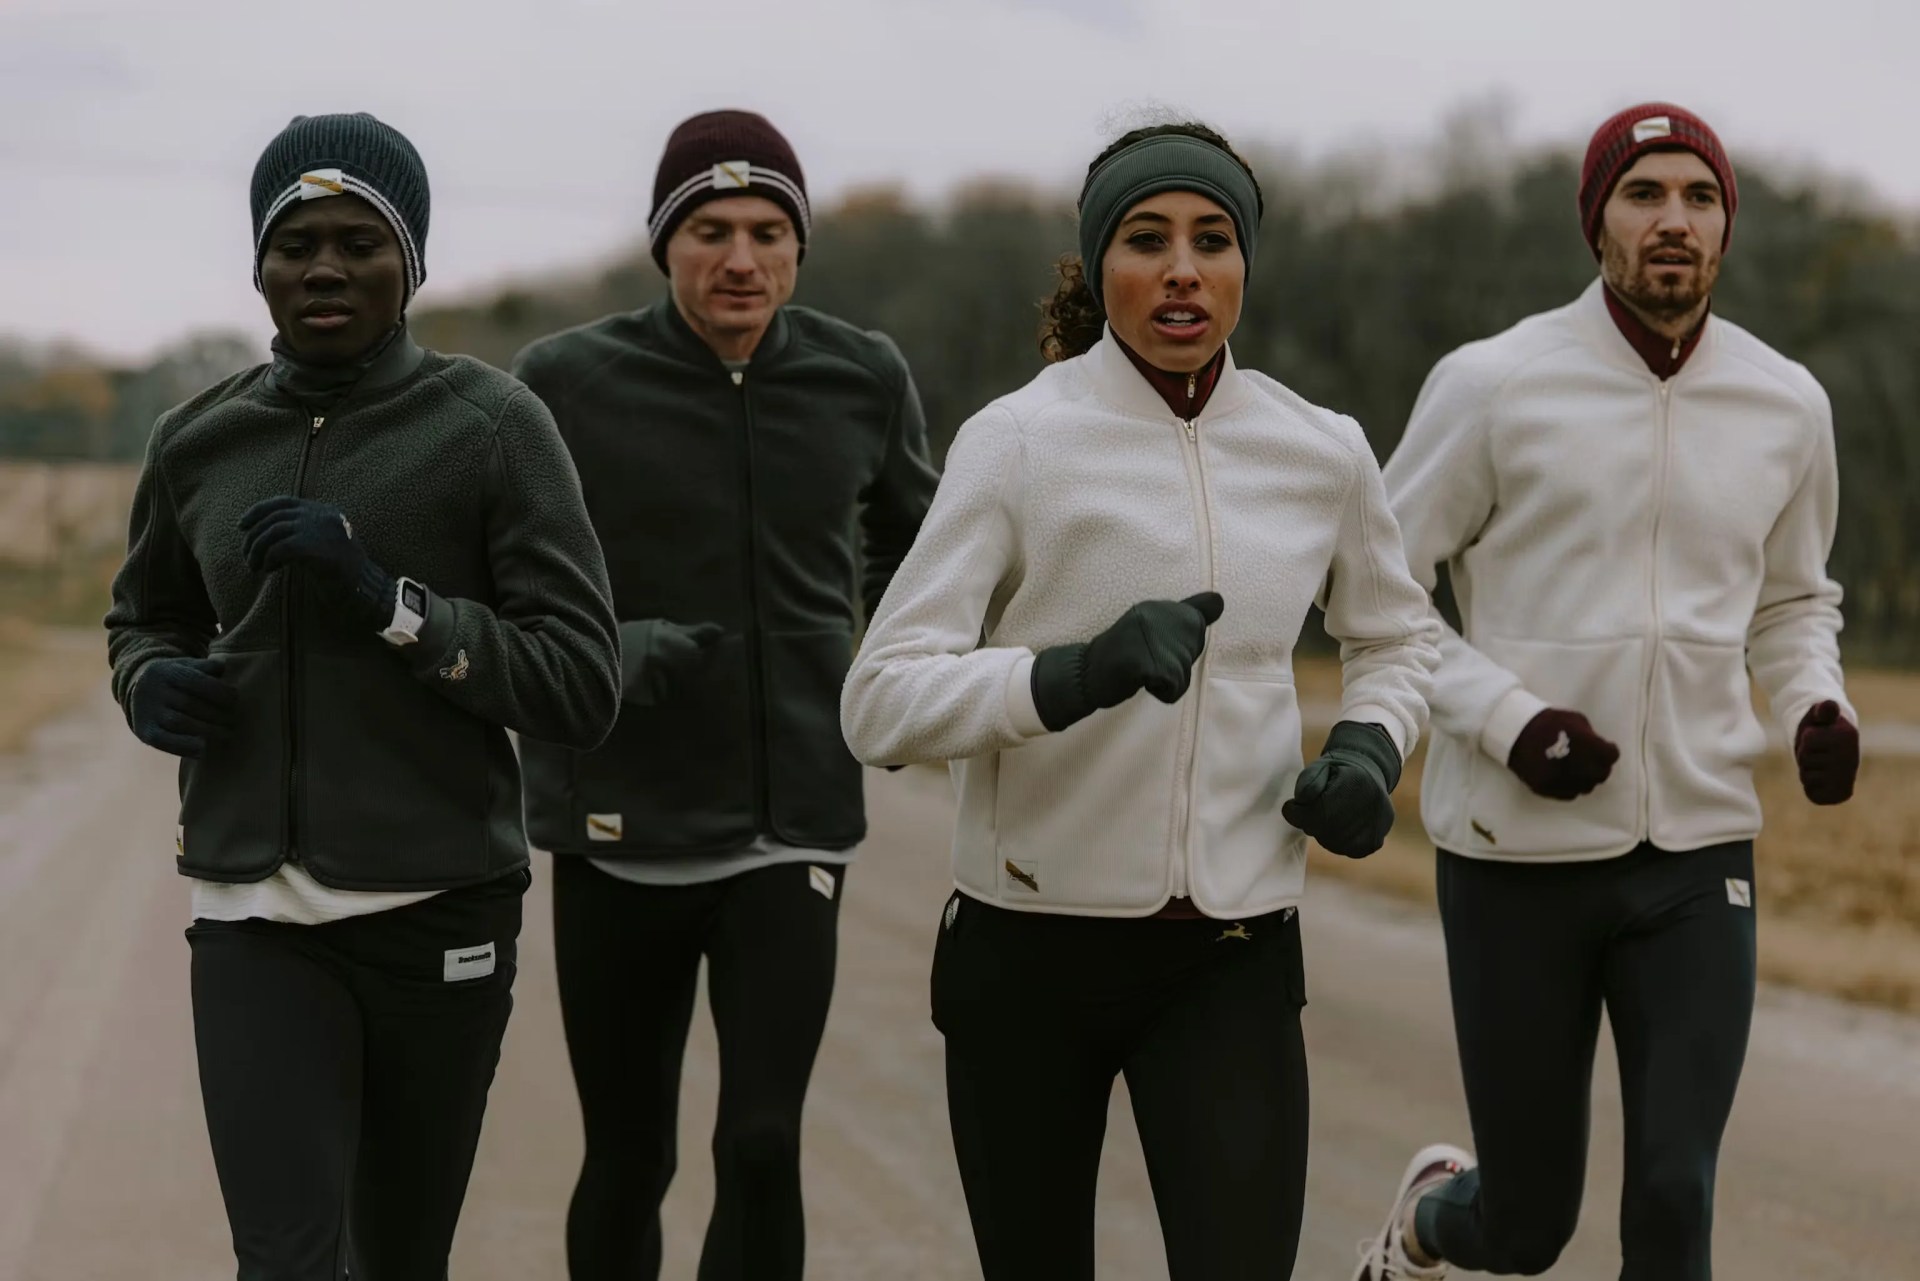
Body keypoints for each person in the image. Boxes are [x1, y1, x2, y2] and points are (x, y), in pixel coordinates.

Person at [840, 121, 1441, 1281]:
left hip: (1231, 951)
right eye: (1146, 238)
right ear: (1097, 263)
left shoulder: (1323, 450)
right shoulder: (1017, 442)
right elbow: (882, 699)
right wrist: (1069, 676)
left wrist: (1370, 751)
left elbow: (1399, 635)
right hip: (1026, 954)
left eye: (1213, 240)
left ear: (1244, 267)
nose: (1182, 268)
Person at [103, 112, 620, 1280]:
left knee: (398, 1257)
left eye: (359, 240)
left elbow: (581, 684)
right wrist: (146, 681)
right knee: (285, 1260)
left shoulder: (491, 428)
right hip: (253, 916)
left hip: (437, 912)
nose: (325, 267)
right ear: (258, 265)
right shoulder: (198, 437)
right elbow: (147, 617)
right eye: (295, 243)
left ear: (412, 264)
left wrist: (391, 604)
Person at [1356, 103, 1860, 1281]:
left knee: (1676, 1202)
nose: (1672, 220)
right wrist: (1507, 720)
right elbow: (1378, 592)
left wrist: (1812, 708)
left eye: (1698, 195)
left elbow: (1794, 606)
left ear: (1727, 226)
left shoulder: (1788, 404)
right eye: (1643, 195)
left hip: (1696, 852)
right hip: (1514, 858)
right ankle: (1428, 1222)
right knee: (1527, 1228)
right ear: (1597, 223)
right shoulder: (1493, 384)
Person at [510, 110, 938, 1281]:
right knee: (630, 1152)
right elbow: (499, 577)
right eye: (709, 229)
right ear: (666, 244)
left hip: (789, 819)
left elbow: (924, 552)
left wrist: (888, 668)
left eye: (766, 231)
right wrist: (609, 649)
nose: (740, 258)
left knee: (761, 1143)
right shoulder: (563, 382)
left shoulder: (862, 376)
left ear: (798, 249)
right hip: (617, 823)